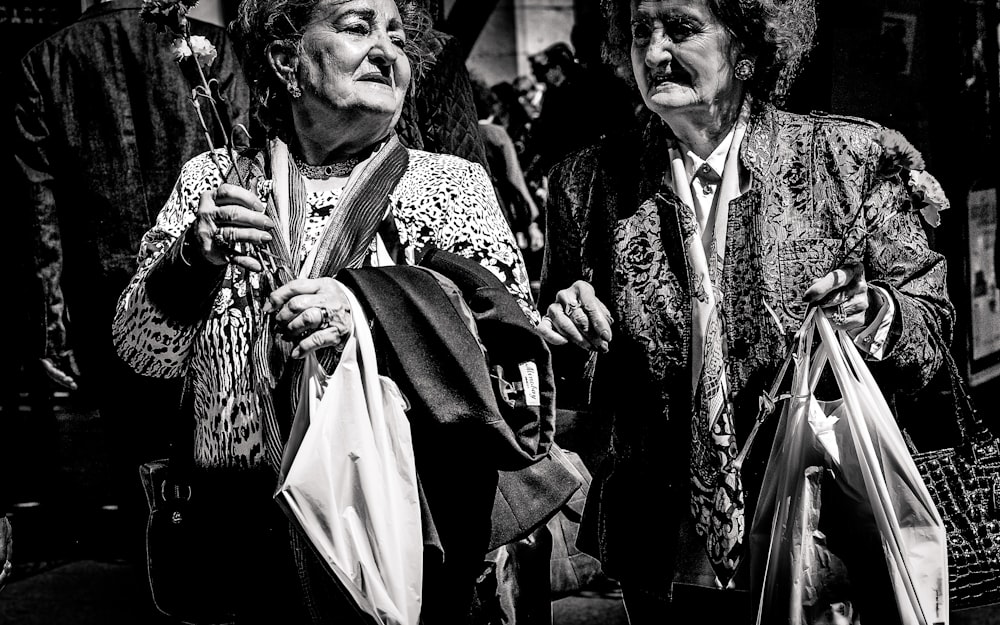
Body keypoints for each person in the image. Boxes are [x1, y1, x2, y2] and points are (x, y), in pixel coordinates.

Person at [112, 0, 537, 622]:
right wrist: (190, 263)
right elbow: (140, 350)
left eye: (396, 35)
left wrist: (364, 307)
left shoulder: (449, 185)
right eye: (357, 27)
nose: (387, 50)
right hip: (241, 539)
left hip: (394, 531)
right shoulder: (216, 180)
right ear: (286, 59)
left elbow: (509, 358)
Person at [536, 0, 955, 622]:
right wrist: (567, 322)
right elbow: (566, 363)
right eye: (640, 33)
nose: (654, 53)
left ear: (749, 47)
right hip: (661, 542)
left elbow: (931, 325)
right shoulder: (590, 179)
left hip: (819, 522)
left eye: (680, 30)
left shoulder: (848, 160)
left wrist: (872, 311)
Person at [11, 0, 249, 561]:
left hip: (105, 294)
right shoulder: (211, 46)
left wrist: (51, 328)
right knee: (222, 437)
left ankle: (159, 574)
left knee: (138, 456)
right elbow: (247, 159)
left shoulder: (45, 60)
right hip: (208, 280)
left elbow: (36, 213)